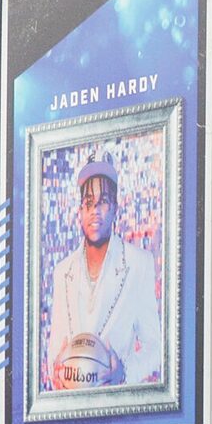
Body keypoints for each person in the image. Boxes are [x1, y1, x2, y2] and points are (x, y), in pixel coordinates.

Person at [43, 157, 164, 391]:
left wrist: (125, 373)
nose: (94, 212)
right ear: (80, 210)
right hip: (71, 408)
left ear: (115, 208)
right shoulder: (62, 271)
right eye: (88, 203)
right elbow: (55, 346)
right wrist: (56, 371)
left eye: (103, 202)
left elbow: (155, 347)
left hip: (117, 408)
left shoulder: (139, 263)